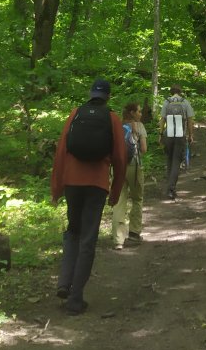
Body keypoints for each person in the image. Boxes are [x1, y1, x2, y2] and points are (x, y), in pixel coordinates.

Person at [51, 78, 126, 315]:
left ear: (90, 94)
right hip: (97, 184)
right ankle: (75, 299)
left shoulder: (75, 113)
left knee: (73, 231)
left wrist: (57, 188)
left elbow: (61, 151)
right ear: (108, 97)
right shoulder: (112, 118)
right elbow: (120, 158)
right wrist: (115, 192)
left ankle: (64, 282)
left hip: (72, 182)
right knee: (88, 238)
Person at [111, 101, 148, 248]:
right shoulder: (139, 126)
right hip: (134, 166)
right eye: (138, 111)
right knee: (137, 199)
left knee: (119, 201)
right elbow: (144, 149)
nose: (140, 113)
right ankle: (134, 233)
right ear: (132, 113)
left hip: (118, 167)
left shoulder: (117, 126)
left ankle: (118, 240)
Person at [159, 84, 194, 200]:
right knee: (176, 161)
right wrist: (190, 135)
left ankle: (169, 186)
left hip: (168, 135)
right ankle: (171, 188)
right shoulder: (185, 102)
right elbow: (190, 120)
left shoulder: (166, 102)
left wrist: (160, 135)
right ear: (180, 92)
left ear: (171, 92)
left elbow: (162, 120)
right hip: (180, 135)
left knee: (169, 160)